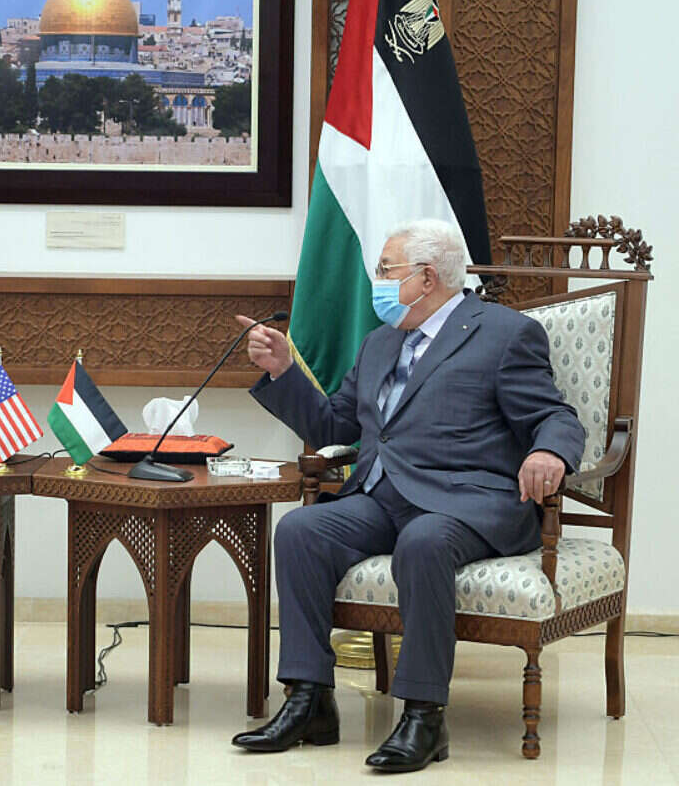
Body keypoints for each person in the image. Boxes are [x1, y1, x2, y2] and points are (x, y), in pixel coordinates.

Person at [231, 220, 584, 773]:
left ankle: (424, 714)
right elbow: (334, 426)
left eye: (386, 270)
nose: (377, 280)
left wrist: (549, 453)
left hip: (466, 501)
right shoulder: (381, 341)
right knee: (300, 530)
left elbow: (554, 415)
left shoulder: (504, 333)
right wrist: (283, 372)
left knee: (423, 540)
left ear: (426, 277)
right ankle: (310, 699)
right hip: (382, 496)